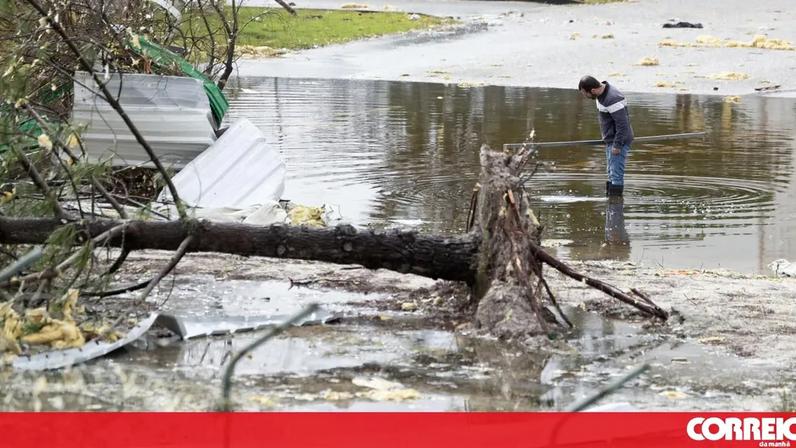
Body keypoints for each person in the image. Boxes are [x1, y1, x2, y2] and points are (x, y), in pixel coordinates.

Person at [578, 75, 634, 196]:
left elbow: (623, 125)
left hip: (618, 141)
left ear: (592, 90)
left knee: (616, 175)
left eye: (585, 94)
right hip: (611, 140)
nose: (585, 97)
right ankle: (611, 206)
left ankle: (616, 207)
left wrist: (617, 145)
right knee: (610, 172)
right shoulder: (601, 94)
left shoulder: (611, 99)